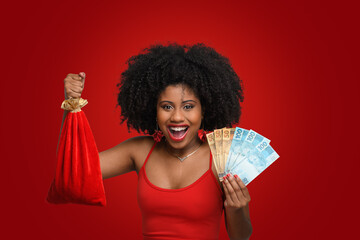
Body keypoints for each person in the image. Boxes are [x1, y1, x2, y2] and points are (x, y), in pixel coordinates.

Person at [61, 43, 252, 240]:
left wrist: (238, 209)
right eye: (167, 107)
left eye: (188, 106)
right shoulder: (139, 150)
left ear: (204, 111)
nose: (177, 117)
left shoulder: (224, 157)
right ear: (154, 111)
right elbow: (72, 172)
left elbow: (241, 237)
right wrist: (71, 105)